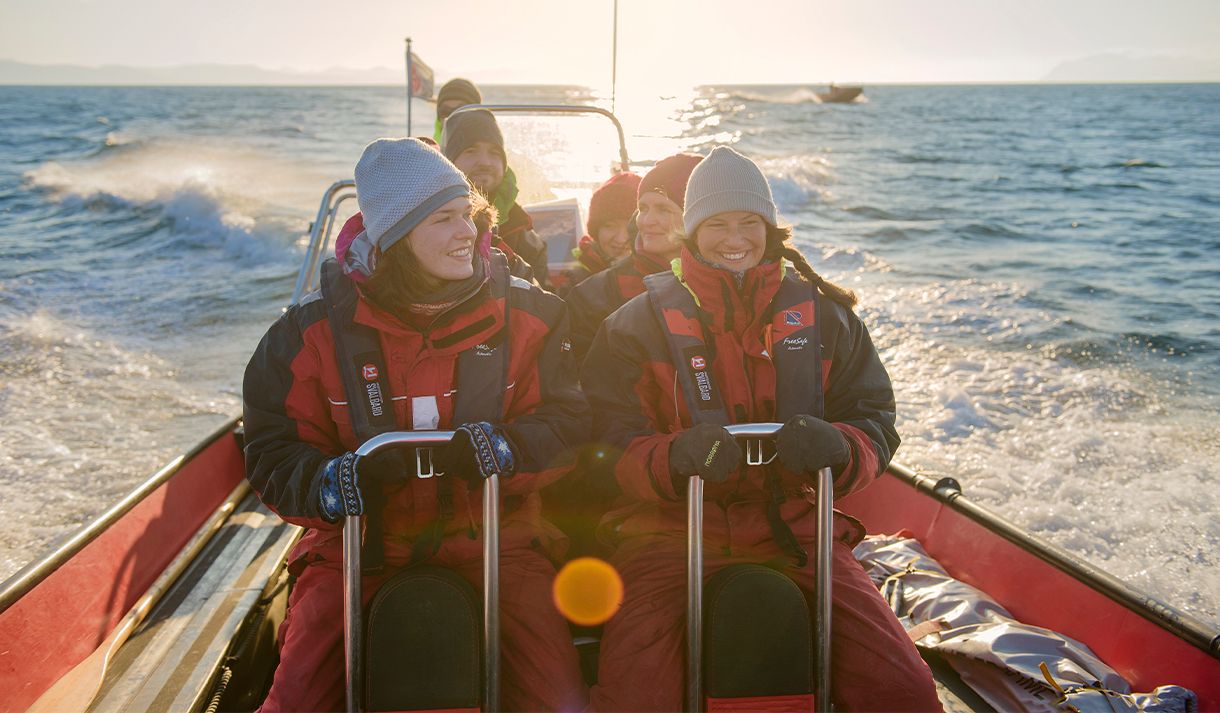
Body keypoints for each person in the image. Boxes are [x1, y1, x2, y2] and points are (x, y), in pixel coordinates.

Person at [581, 146, 942, 712]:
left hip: (800, 530)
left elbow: (875, 416)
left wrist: (841, 445)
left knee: (905, 693)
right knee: (635, 694)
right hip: (668, 535)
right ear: (692, 232)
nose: (735, 237)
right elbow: (604, 441)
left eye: (749, 222)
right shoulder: (633, 327)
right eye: (718, 223)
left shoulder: (827, 317)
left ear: (769, 229)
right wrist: (672, 457)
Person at [243, 138, 587, 712]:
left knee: (561, 700)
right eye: (445, 219)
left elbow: (571, 423)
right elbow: (270, 453)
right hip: (356, 551)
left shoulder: (533, 316)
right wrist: (332, 483)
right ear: (396, 236)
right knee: (297, 699)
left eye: (470, 217)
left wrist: (507, 451)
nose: (468, 234)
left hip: (498, 543)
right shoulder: (305, 334)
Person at [566, 152, 703, 360]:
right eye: (642, 208)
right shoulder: (591, 297)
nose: (647, 221)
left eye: (663, 210)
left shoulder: (734, 282)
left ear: (698, 216)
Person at [443, 108, 551, 290]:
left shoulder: (526, 238)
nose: (485, 161)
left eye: (494, 152)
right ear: (449, 161)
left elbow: (542, 303)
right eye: (471, 151)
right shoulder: (429, 226)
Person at [556, 171, 641, 296]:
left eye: (631, 228)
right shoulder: (576, 284)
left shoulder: (662, 280)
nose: (621, 239)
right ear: (596, 230)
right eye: (610, 226)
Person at [433, 77, 482, 143]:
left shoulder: (495, 150)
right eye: (446, 111)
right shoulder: (425, 152)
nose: (452, 118)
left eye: (462, 111)